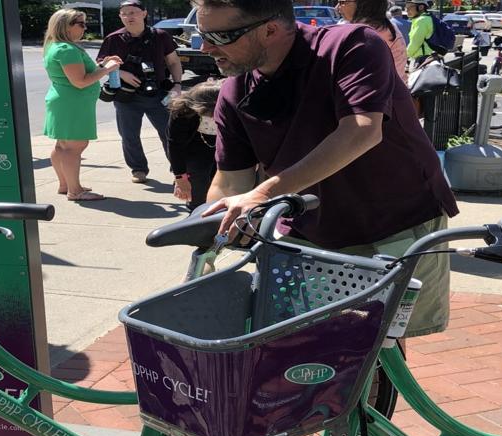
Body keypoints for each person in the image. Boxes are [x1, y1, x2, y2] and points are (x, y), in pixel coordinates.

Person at [198, 0, 458, 337]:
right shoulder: (235, 91)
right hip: (313, 230)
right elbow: (231, 180)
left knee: (383, 341)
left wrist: (262, 194)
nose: (205, 48)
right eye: (203, 35)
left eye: (218, 36)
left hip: (395, 221)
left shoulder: (351, 45)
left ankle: (383, 387)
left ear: (270, 30)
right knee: (308, 338)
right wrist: (207, 230)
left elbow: (362, 130)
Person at [97, 0, 183, 183]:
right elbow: (101, 63)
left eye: (133, 12)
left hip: (159, 94)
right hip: (126, 96)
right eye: (125, 13)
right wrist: (121, 72)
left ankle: (178, 171)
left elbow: (174, 62)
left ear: (144, 14)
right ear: (120, 16)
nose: (129, 16)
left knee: (170, 135)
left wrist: (177, 84)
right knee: (129, 136)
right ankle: (138, 169)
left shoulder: (161, 36)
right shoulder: (113, 39)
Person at [42, 8, 122, 201]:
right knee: (74, 147)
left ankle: (66, 185)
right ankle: (75, 191)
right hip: (72, 104)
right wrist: (107, 69)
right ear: (66, 26)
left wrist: (103, 66)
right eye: (81, 24)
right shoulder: (66, 49)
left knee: (62, 146)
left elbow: (81, 76)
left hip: (65, 102)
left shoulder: (58, 46)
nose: (85, 28)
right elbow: (80, 81)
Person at [166, 78, 219, 211]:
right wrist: (180, 177)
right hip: (194, 150)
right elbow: (175, 146)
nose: (214, 117)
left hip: (223, 149)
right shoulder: (182, 112)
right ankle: (196, 215)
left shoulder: (231, 107)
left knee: (222, 191)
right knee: (197, 192)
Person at [336, 0, 406, 78]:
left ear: (363, 4)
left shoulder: (366, 34)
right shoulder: (385, 27)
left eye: (342, 2)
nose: (337, 8)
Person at [401, 0, 435, 70]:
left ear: (421, 7)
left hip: (423, 61)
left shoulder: (421, 21)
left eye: (409, 7)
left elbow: (415, 44)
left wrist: (403, 56)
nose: (407, 10)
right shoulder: (428, 18)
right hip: (431, 58)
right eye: (405, 8)